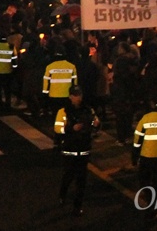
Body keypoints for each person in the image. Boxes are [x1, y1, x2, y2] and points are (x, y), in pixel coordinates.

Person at [54, 85, 99, 216]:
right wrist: (71, 128)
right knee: (68, 175)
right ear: (70, 97)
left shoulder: (89, 110)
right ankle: (62, 194)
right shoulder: (63, 111)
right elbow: (58, 129)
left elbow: (95, 123)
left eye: (79, 95)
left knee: (81, 179)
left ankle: (77, 206)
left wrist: (96, 125)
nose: (78, 98)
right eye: (75, 95)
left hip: (84, 148)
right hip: (69, 148)